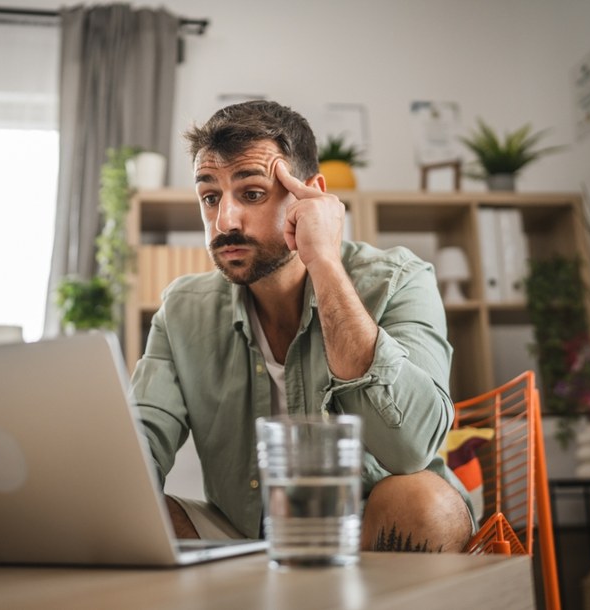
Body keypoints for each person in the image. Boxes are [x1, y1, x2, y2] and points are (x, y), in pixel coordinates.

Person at [129, 100, 473, 552]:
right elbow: (142, 437)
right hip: (247, 539)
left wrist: (325, 261)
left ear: (311, 195)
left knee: (425, 501)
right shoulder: (182, 308)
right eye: (210, 197)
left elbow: (410, 448)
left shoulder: (399, 280)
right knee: (145, 512)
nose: (224, 220)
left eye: (251, 194)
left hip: (370, 537)